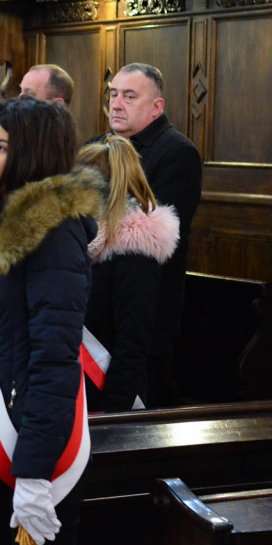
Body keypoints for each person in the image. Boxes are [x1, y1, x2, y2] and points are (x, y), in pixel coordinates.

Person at [0, 97, 103, 545]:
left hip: (33, 452)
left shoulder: (53, 235)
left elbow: (54, 361)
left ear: (31, 155)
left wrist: (35, 471)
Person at [94, 63, 202, 406]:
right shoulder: (96, 147)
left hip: (142, 309)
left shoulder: (177, 153)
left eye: (129, 96)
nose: (116, 103)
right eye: (113, 94)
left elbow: (153, 231)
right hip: (92, 305)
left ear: (157, 107)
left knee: (131, 413)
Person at [77, 136, 180, 412]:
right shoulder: (86, 244)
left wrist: (110, 416)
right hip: (77, 395)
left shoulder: (134, 255)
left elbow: (132, 348)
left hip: (111, 403)